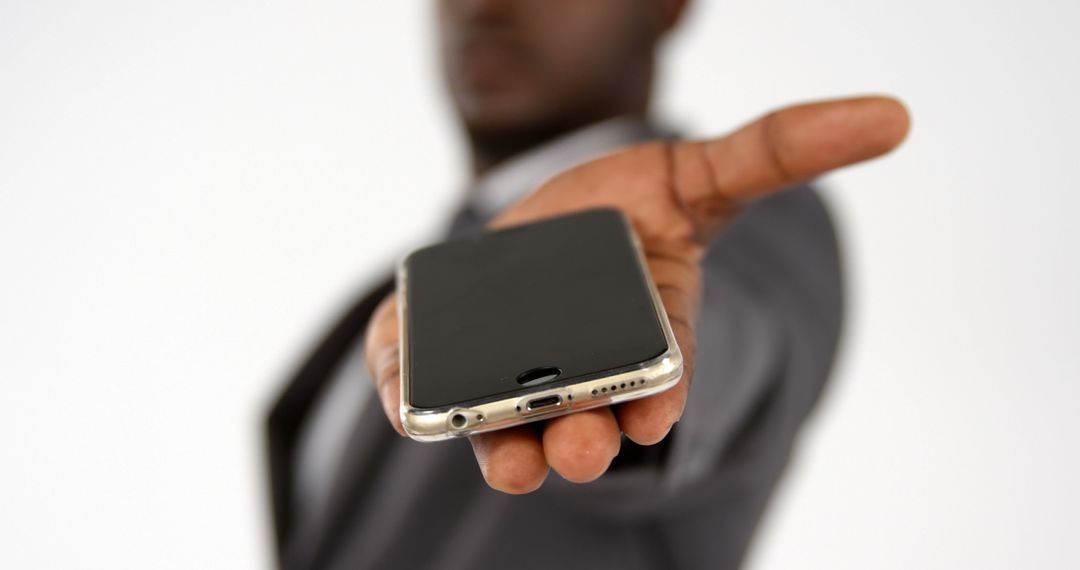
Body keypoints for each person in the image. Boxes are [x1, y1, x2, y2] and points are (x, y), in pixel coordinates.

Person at [266, 1, 910, 569]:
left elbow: (737, 355)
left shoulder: (747, 225)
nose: (483, 5)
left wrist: (623, 340)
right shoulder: (413, 290)